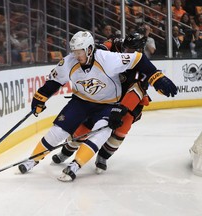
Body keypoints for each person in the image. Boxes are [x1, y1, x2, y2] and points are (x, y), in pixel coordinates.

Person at [18, 31, 177, 182]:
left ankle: (77, 164)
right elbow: (54, 81)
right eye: (74, 51)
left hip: (109, 104)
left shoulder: (108, 59)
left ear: (88, 49)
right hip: (81, 102)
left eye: (79, 51)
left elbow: (139, 61)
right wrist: (40, 98)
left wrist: (157, 78)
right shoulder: (70, 61)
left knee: (106, 130)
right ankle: (33, 160)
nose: (76, 55)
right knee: (59, 130)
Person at [51, 33, 160, 173]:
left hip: (127, 100)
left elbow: (136, 91)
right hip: (105, 94)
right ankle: (66, 152)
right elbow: (97, 51)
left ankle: (103, 157)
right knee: (86, 125)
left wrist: (122, 109)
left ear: (139, 51)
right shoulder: (114, 44)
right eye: (125, 48)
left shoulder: (141, 66)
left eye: (131, 51)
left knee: (121, 129)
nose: (126, 53)